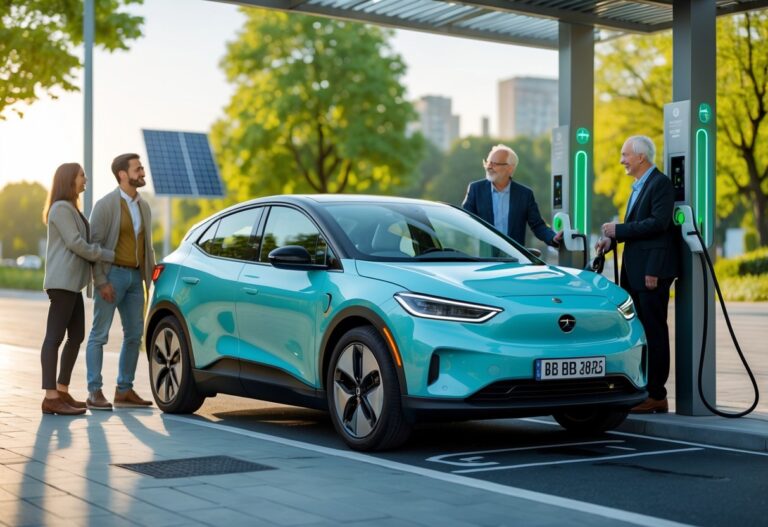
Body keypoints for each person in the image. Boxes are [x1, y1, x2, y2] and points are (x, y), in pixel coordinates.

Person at [596, 135, 679, 414]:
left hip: (650, 273)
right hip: (635, 272)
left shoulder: (661, 184)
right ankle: (643, 388)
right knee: (640, 333)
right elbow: (639, 227)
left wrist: (619, 230)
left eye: (625, 155)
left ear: (641, 157)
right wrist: (611, 241)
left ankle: (657, 394)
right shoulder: (638, 187)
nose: (622, 161)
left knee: (654, 332)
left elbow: (660, 225)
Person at [40, 163, 115, 415]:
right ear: (69, 179)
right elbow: (76, 243)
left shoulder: (72, 209)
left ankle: (61, 390)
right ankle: (50, 396)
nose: (86, 178)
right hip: (62, 284)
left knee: (77, 336)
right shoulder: (61, 208)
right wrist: (106, 255)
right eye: (81, 175)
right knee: (54, 339)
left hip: (73, 286)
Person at [85, 153, 156, 410]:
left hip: (136, 279)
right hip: (111, 276)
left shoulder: (143, 206)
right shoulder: (105, 205)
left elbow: (147, 247)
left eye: (142, 168)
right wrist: (101, 280)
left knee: (135, 335)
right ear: (122, 174)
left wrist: (150, 279)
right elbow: (94, 246)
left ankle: (124, 390)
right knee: (99, 335)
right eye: (138, 169)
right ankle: (94, 391)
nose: (142, 173)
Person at [462, 144, 562, 247]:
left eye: (494, 164)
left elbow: (538, 225)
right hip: (485, 257)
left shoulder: (525, 195)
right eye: (488, 163)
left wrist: (553, 237)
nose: (489, 167)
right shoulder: (476, 189)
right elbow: (464, 220)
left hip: (514, 257)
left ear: (509, 168)